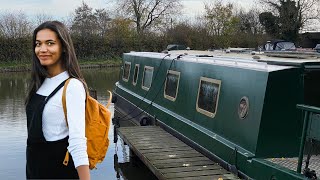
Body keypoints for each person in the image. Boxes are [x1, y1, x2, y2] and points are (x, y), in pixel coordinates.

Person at [25, 21, 90, 179]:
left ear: (64, 48)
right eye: (38, 44)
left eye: (50, 43)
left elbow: (78, 143)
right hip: (35, 172)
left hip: (59, 173)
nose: (42, 49)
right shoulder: (38, 84)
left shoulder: (72, 86)